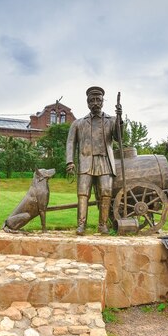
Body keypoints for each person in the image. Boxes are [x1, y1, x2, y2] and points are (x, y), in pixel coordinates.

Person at [66, 86, 123, 235]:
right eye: (92, 100)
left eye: (98, 100)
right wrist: (69, 161)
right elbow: (70, 143)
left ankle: (102, 225)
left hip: (105, 161)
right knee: (83, 194)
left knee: (106, 193)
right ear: (88, 103)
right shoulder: (78, 123)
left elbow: (119, 137)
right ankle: (81, 225)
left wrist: (120, 119)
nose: (95, 103)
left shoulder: (111, 120)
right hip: (86, 161)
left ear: (103, 101)